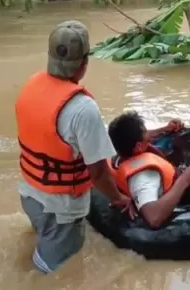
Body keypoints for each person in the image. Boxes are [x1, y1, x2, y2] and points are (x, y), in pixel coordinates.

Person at [15, 20, 136, 275]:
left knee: (41, 242)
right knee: (50, 273)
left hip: (29, 195)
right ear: (84, 64)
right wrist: (118, 198)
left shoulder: (31, 84)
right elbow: (99, 174)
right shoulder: (83, 109)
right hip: (61, 211)